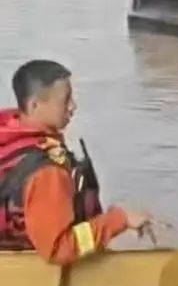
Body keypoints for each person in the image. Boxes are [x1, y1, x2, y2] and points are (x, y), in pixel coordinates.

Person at [0, 59, 157, 263]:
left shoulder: (9, 136)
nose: (73, 106)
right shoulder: (46, 172)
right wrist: (120, 220)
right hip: (28, 277)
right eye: (65, 100)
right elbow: (59, 249)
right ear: (34, 105)